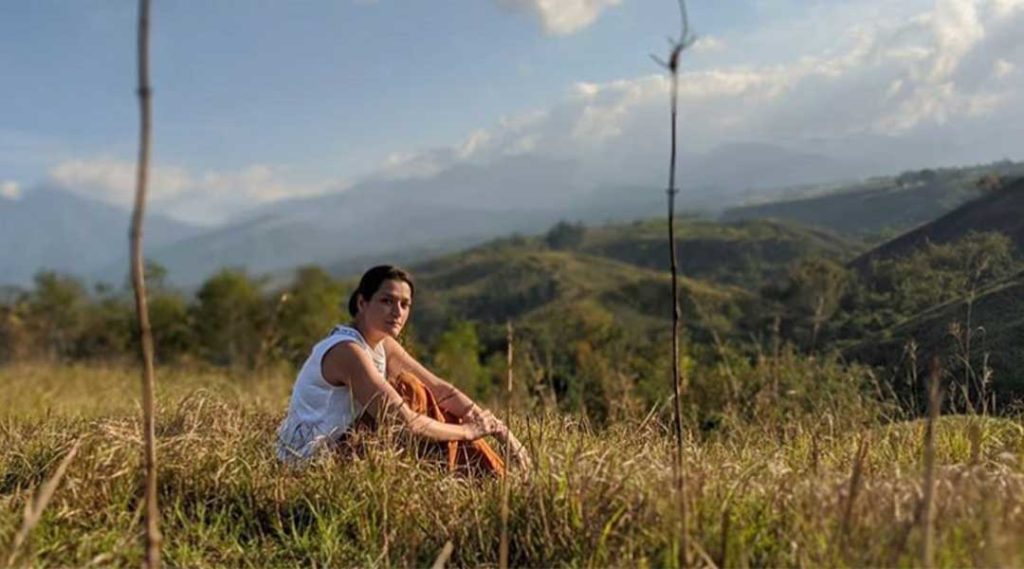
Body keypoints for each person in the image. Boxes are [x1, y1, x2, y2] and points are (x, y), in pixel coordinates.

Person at [277, 265, 530, 470]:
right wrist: (468, 431)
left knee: (433, 401)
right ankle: (489, 479)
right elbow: (406, 422)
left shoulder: (382, 343)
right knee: (411, 391)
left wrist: (499, 430)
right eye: (387, 301)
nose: (397, 312)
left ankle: (495, 479)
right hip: (312, 462)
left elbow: (441, 390)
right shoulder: (347, 350)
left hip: (347, 445)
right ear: (362, 303)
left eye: (404, 304)